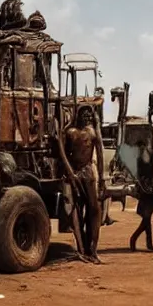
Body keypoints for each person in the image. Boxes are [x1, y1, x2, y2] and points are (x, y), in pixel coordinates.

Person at [57, 105, 106, 264]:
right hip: (74, 174)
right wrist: (70, 173)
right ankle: (81, 249)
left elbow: (99, 153)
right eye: (84, 114)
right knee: (75, 210)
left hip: (88, 173)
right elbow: (63, 152)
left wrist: (103, 178)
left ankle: (92, 249)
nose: (87, 117)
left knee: (94, 209)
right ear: (77, 115)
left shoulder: (92, 132)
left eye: (89, 114)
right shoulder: (70, 132)